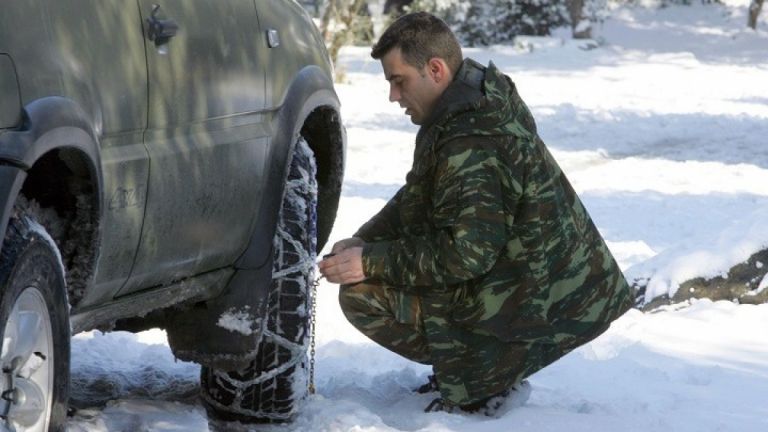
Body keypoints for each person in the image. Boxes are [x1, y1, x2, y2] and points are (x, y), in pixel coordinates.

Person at [318, 11, 633, 415]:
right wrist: (366, 239)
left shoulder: (473, 139)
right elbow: (421, 193)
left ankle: (483, 378)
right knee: (375, 273)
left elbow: (466, 254)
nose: (394, 96)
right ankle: (475, 366)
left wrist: (370, 263)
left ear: (435, 69)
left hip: (539, 300)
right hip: (525, 281)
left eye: (399, 82)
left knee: (363, 295)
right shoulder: (464, 105)